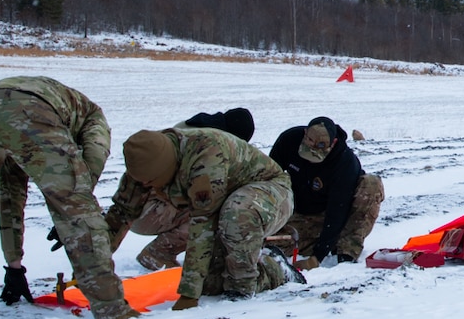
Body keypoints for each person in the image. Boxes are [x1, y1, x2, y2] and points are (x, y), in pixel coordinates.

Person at [0, 76, 134, 319]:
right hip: (34, 111)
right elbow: (91, 164)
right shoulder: (94, 117)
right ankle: (111, 308)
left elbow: (11, 195)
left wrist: (13, 266)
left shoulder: (54, 110)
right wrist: (68, 209)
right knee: (79, 208)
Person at [113, 125, 297, 308]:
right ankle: (258, 263)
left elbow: (202, 225)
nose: (145, 185)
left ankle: (266, 275)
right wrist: (93, 274)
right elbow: (118, 216)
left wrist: (189, 295)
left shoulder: (206, 157)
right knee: (211, 283)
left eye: (150, 182)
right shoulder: (143, 162)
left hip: (270, 191)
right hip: (222, 200)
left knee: (237, 215)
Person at [109, 108, 255, 271]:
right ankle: (159, 253)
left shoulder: (189, 129)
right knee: (215, 211)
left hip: (134, 209)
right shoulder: (207, 148)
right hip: (148, 211)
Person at [269, 116, 384, 267]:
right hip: (299, 214)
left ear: (333, 142)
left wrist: (317, 257)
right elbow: (268, 178)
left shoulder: (345, 163)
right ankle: (318, 241)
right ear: (305, 134)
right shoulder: (289, 140)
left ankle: (346, 251)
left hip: (334, 215)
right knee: (269, 245)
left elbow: (338, 210)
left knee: (371, 184)